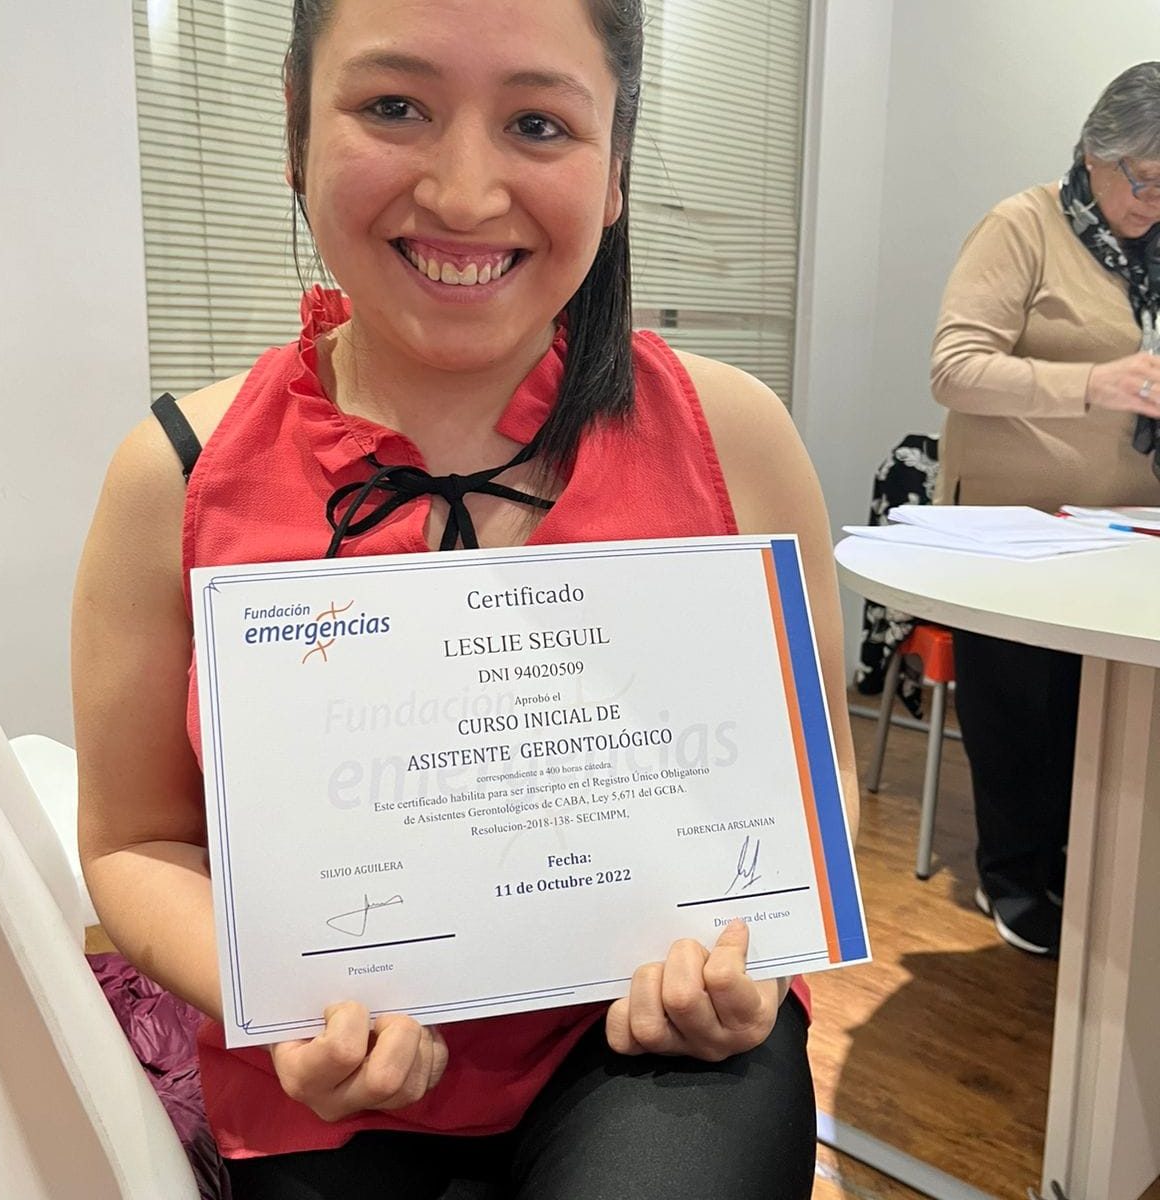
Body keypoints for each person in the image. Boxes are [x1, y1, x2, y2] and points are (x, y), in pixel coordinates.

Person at [73, 1, 858, 1196]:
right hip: (328, 1076)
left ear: (616, 167)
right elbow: (137, 842)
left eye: (538, 124)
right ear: (295, 126)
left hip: (657, 1037)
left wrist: (761, 945)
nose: (464, 192)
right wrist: (279, 996)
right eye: (395, 106)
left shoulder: (731, 436)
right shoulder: (177, 476)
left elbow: (816, 776)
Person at [930, 62, 1160, 959]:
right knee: (1020, 717)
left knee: (1097, 717)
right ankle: (1015, 878)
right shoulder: (1023, 226)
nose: (1154, 203)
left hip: (1123, 529)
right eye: (1144, 179)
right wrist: (1095, 384)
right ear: (1096, 154)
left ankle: (1078, 863)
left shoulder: (1153, 253)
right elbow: (955, 368)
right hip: (1011, 530)